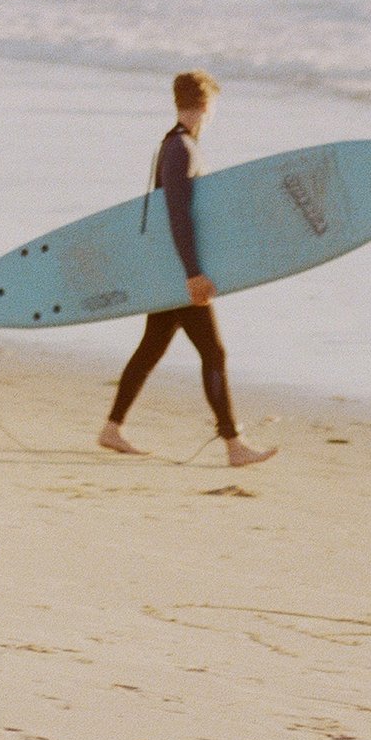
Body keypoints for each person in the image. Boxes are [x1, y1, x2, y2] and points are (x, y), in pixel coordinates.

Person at [98, 69, 276, 467]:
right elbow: (177, 214)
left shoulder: (176, 144)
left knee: (151, 348)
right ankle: (234, 444)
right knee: (213, 352)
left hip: (169, 269)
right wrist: (193, 273)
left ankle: (112, 428)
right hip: (179, 272)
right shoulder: (181, 148)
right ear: (207, 105)